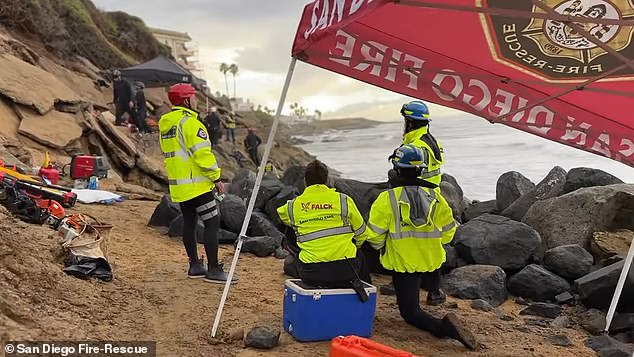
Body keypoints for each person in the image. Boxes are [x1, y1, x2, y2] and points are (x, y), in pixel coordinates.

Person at [366, 144, 476, 350]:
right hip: (433, 263)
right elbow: (448, 234)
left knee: (409, 313)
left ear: (397, 169)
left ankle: (444, 329)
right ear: (421, 169)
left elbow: (374, 236)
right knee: (426, 275)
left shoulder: (387, 199)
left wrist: (384, 249)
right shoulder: (436, 197)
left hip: (404, 265)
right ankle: (434, 291)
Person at [158, 83, 236, 284]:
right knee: (212, 222)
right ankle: (214, 269)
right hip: (197, 184)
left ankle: (194, 265)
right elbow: (202, 155)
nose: (196, 101)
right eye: (193, 97)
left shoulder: (167, 124)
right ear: (186, 100)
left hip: (180, 185)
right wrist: (216, 178)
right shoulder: (190, 123)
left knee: (190, 223)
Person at [277, 160, 371, 290]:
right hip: (347, 269)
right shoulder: (343, 200)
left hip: (312, 272)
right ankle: (366, 291)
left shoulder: (293, 206)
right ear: (327, 180)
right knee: (358, 251)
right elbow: (362, 233)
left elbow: (281, 215)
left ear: (305, 181)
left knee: (291, 227)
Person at [399, 100, 444, 186]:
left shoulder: (414, 147)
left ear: (410, 122)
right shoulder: (434, 142)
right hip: (435, 188)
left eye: (405, 121)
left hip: (418, 192)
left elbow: (406, 175)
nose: (404, 124)